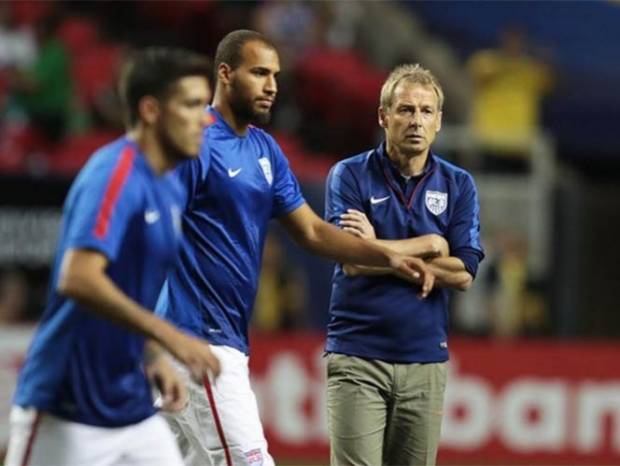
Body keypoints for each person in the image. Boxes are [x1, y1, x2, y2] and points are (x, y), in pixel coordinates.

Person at [155, 29, 434, 466]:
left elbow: (312, 232)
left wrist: (389, 254)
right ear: (225, 74)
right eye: (259, 73)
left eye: (276, 75)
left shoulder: (266, 149)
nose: (272, 86)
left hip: (222, 339)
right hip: (196, 341)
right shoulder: (196, 142)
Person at [5, 47, 221, 466]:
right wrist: (168, 336)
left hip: (131, 406)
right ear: (151, 110)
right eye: (192, 104)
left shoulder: (171, 186)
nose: (206, 118)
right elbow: (78, 277)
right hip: (66, 409)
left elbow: (133, 287)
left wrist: (153, 355)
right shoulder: (115, 173)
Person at [324, 63, 484, 466]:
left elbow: (463, 272)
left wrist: (376, 247)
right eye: (406, 110)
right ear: (383, 116)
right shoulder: (350, 175)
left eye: (426, 111)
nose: (416, 121)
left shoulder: (458, 184)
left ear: (439, 121)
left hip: (425, 361)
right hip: (359, 356)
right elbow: (350, 260)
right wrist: (429, 248)